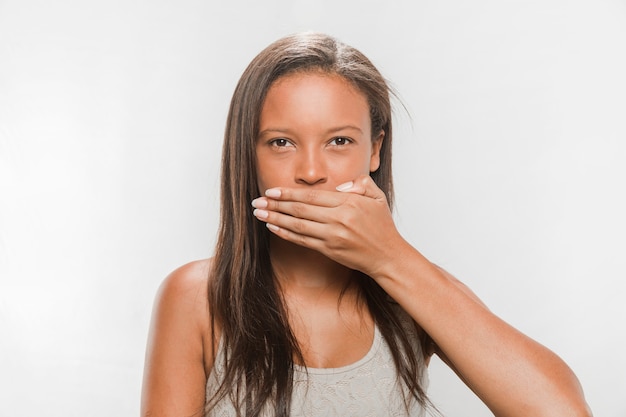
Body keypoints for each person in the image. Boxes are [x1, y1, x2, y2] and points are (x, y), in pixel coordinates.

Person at [140, 32, 592, 417]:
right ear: (249, 155)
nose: (311, 171)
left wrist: (390, 256)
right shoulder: (196, 296)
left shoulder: (413, 288)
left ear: (374, 151)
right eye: (281, 142)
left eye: (339, 141)